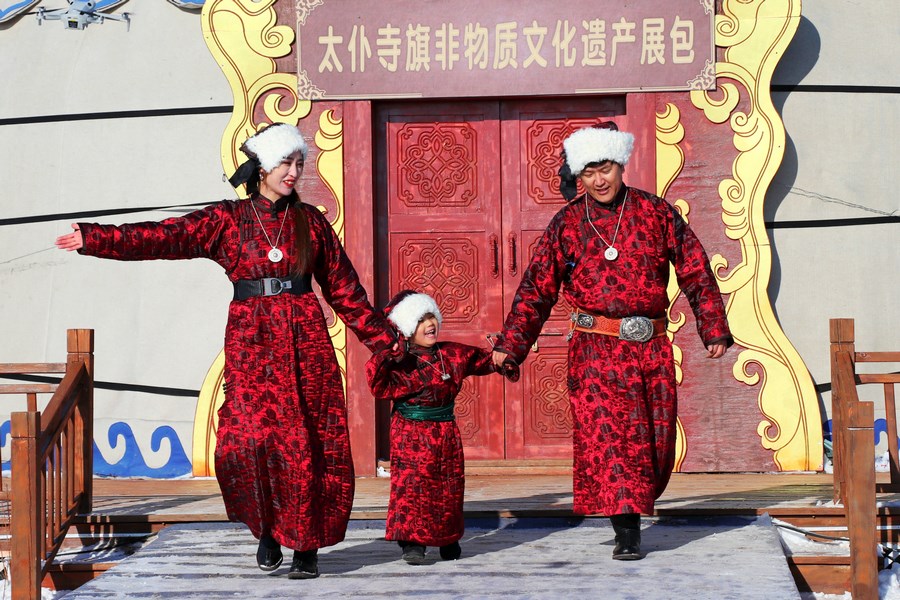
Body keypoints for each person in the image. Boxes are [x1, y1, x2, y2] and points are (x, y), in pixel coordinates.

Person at [55, 123, 396, 579]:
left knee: (306, 442)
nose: (293, 172)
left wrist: (388, 342)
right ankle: (268, 529)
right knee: (249, 441)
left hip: (305, 344)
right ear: (261, 167)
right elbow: (164, 236)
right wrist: (96, 238)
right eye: (285, 162)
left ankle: (306, 545)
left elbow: (346, 292)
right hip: (252, 342)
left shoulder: (311, 222)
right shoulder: (228, 219)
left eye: (299, 163)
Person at [490, 122, 732, 561]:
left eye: (605, 169)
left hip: (650, 348)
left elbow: (695, 268)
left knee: (654, 443)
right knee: (613, 442)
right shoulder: (567, 224)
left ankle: (635, 506)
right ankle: (627, 531)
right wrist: (513, 343)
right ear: (578, 176)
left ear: (621, 165)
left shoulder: (656, 213)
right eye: (588, 173)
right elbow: (537, 287)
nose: (599, 180)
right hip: (595, 351)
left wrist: (712, 324)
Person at [366, 290, 519, 565]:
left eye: (432, 317)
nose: (430, 324)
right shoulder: (399, 361)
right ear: (407, 327)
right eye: (421, 320)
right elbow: (377, 384)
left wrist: (503, 359)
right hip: (410, 431)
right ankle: (413, 543)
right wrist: (388, 353)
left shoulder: (450, 353)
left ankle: (448, 537)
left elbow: (483, 360)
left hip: (445, 429)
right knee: (413, 486)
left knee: (448, 486)